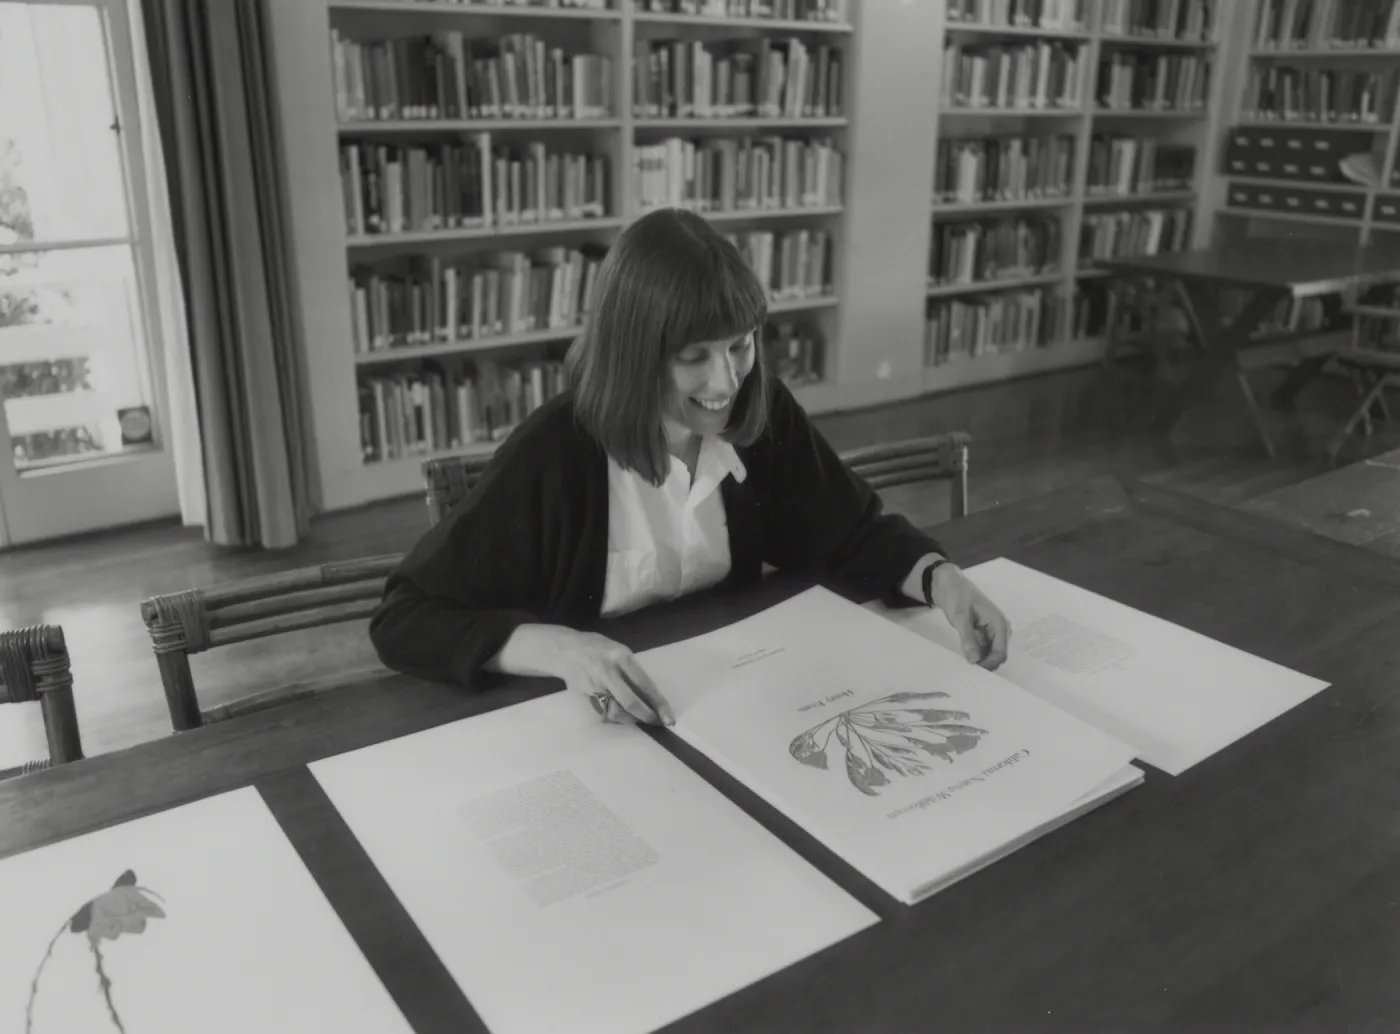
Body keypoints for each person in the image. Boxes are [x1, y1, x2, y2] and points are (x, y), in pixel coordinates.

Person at [369, 207, 1010, 727]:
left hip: (734, 710)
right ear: (634, 356)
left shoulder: (762, 416)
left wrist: (941, 580)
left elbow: (852, 532)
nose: (725, 380)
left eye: (739, 344)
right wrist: (559, 646)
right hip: (589, 729)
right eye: (693, 356)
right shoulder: (553, 454)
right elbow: (406, 617)